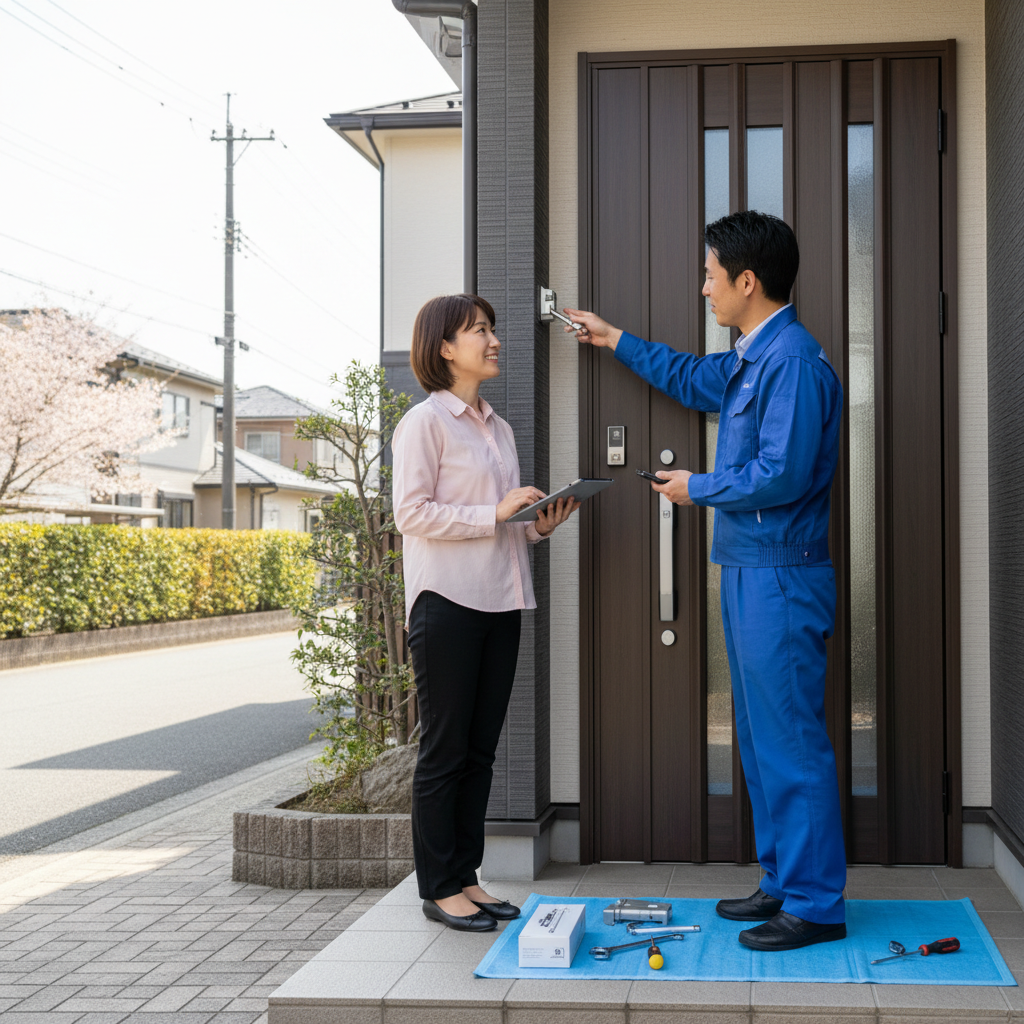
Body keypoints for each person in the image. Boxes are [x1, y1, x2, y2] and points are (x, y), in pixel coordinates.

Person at [564, 211, 847, 952]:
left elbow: (781, 473)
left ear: (747, 281)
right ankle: (785, 881)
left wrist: (700, 486)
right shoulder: (756, 356)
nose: (703, 289)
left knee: (791, 742)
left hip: (783, 577)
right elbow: (693, 377)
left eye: (711, 276)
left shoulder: (794, 362)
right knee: (759, 739)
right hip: (752, 573)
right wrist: (613, 338)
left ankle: (817, 903)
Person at [393, 293, 578, 932]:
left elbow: (505, 524)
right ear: (445, 347)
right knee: (444, 750)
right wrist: (493, 513)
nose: (493, 340)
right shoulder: (424, 423)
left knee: (480, 751)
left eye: (492, 329)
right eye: (480, 331)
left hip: (502, 599)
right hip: (446, 603)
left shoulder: (497, 428)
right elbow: (410, 514)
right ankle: (438, 886)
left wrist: (536, 523)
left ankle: (467, 879)